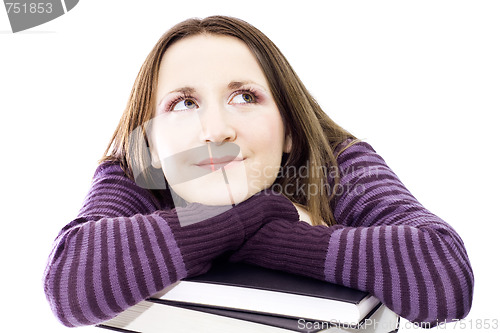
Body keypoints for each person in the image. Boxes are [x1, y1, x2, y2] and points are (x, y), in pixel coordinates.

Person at [43, 15, 473, 328]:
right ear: (152, 145)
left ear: (289, 130)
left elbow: (445, 278)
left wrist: (259, 237)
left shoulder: (336, 162)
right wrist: (257, 214)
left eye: (245, 97)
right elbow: (70, 284)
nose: (216, 130)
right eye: (184, 103)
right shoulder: (134, 171)